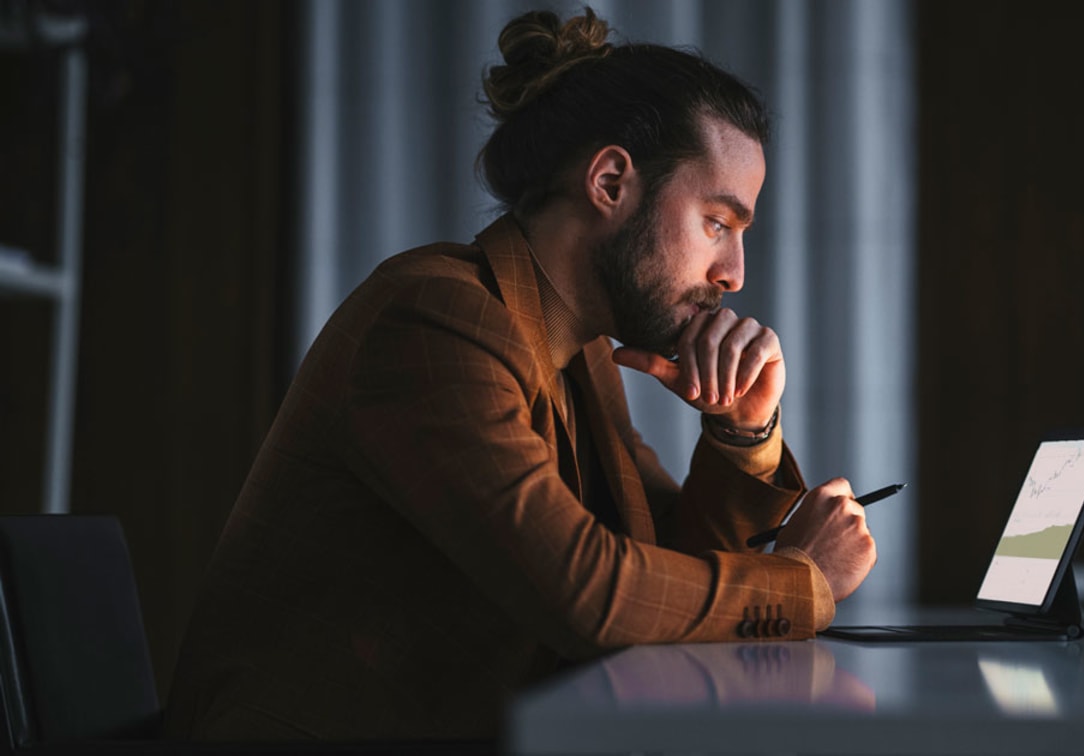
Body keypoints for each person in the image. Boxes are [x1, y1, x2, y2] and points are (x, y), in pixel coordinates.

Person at [164, 6, 877, 743]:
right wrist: (804, 581)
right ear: (609, 182)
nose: (733, 274)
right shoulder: (434, 319)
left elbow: (662, 569)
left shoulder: (578, 353)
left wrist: (741, 431)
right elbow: (589, 592)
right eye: (718, 223)